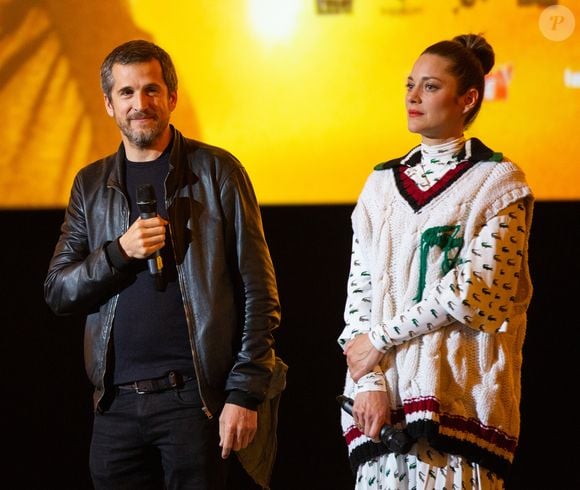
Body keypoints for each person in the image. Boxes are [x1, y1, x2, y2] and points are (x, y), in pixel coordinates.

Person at [44, 39, 285, 490]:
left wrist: (244, 393)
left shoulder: (218, 172)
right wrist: (120, 252)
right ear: (109, 105)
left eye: (152, 90)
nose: (140, 104)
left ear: (172, 98)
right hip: (114, 406)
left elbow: (260, 292)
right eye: (127, 93)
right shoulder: (91, 185)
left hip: (194, 402)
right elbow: (59, 290)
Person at [338, 33, 534, 489]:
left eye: (429, 86)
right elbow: (359, 293)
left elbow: (473, 292)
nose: (412, 96)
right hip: (382, 411)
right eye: (409, 84)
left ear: (467, 99)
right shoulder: (380, 185)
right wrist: (369, 382)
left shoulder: (498, 183)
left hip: (457, 409)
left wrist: (379, 340)